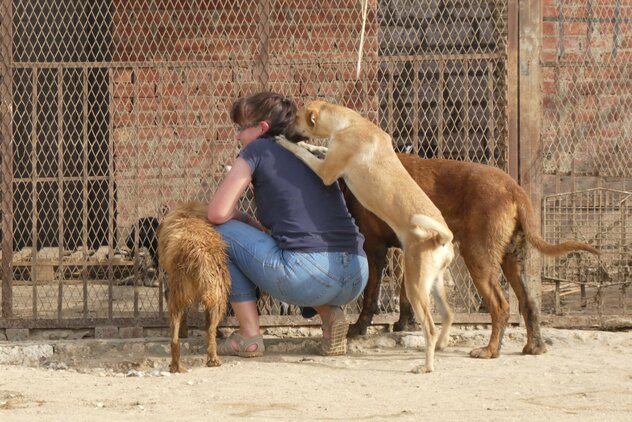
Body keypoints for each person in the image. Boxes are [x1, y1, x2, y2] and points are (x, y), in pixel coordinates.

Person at [207, 92, 368, 357]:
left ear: (262, 128)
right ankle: (329, 317)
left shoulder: (256, 149)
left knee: (220, 233)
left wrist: (245, 220)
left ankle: (248, 337)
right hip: (356, 273)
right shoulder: (308, 149)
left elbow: (217, 213)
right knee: (287, 245)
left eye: (240, 129)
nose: (237, 137)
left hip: (307, 275)